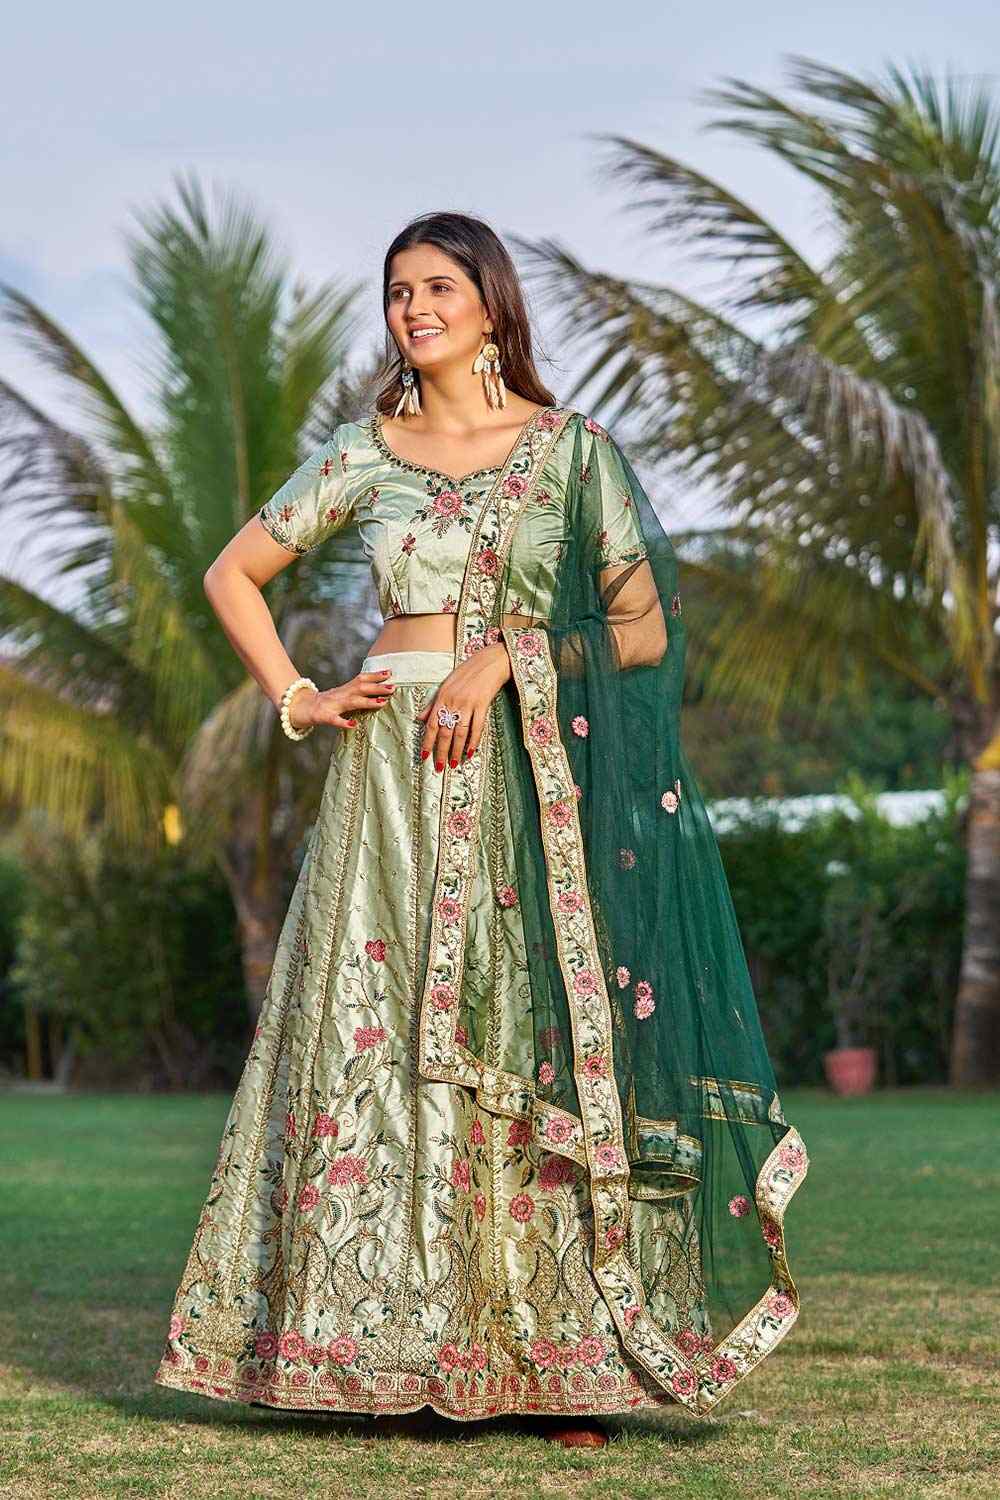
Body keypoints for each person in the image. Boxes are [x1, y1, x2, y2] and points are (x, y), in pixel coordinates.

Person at [152, 211, 808, 1448]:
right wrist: (296, 695)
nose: (414, 309)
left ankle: (561, 1363)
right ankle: (384, 1349)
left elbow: (644, 630)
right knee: (378, 1037)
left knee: (525, 1035)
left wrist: (510, 654)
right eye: (398, 290)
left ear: (492, 304)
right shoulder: (363, 451)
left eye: (438, 287)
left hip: (523, 774)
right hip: (387, 777)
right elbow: (231, 573)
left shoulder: (569, 453)